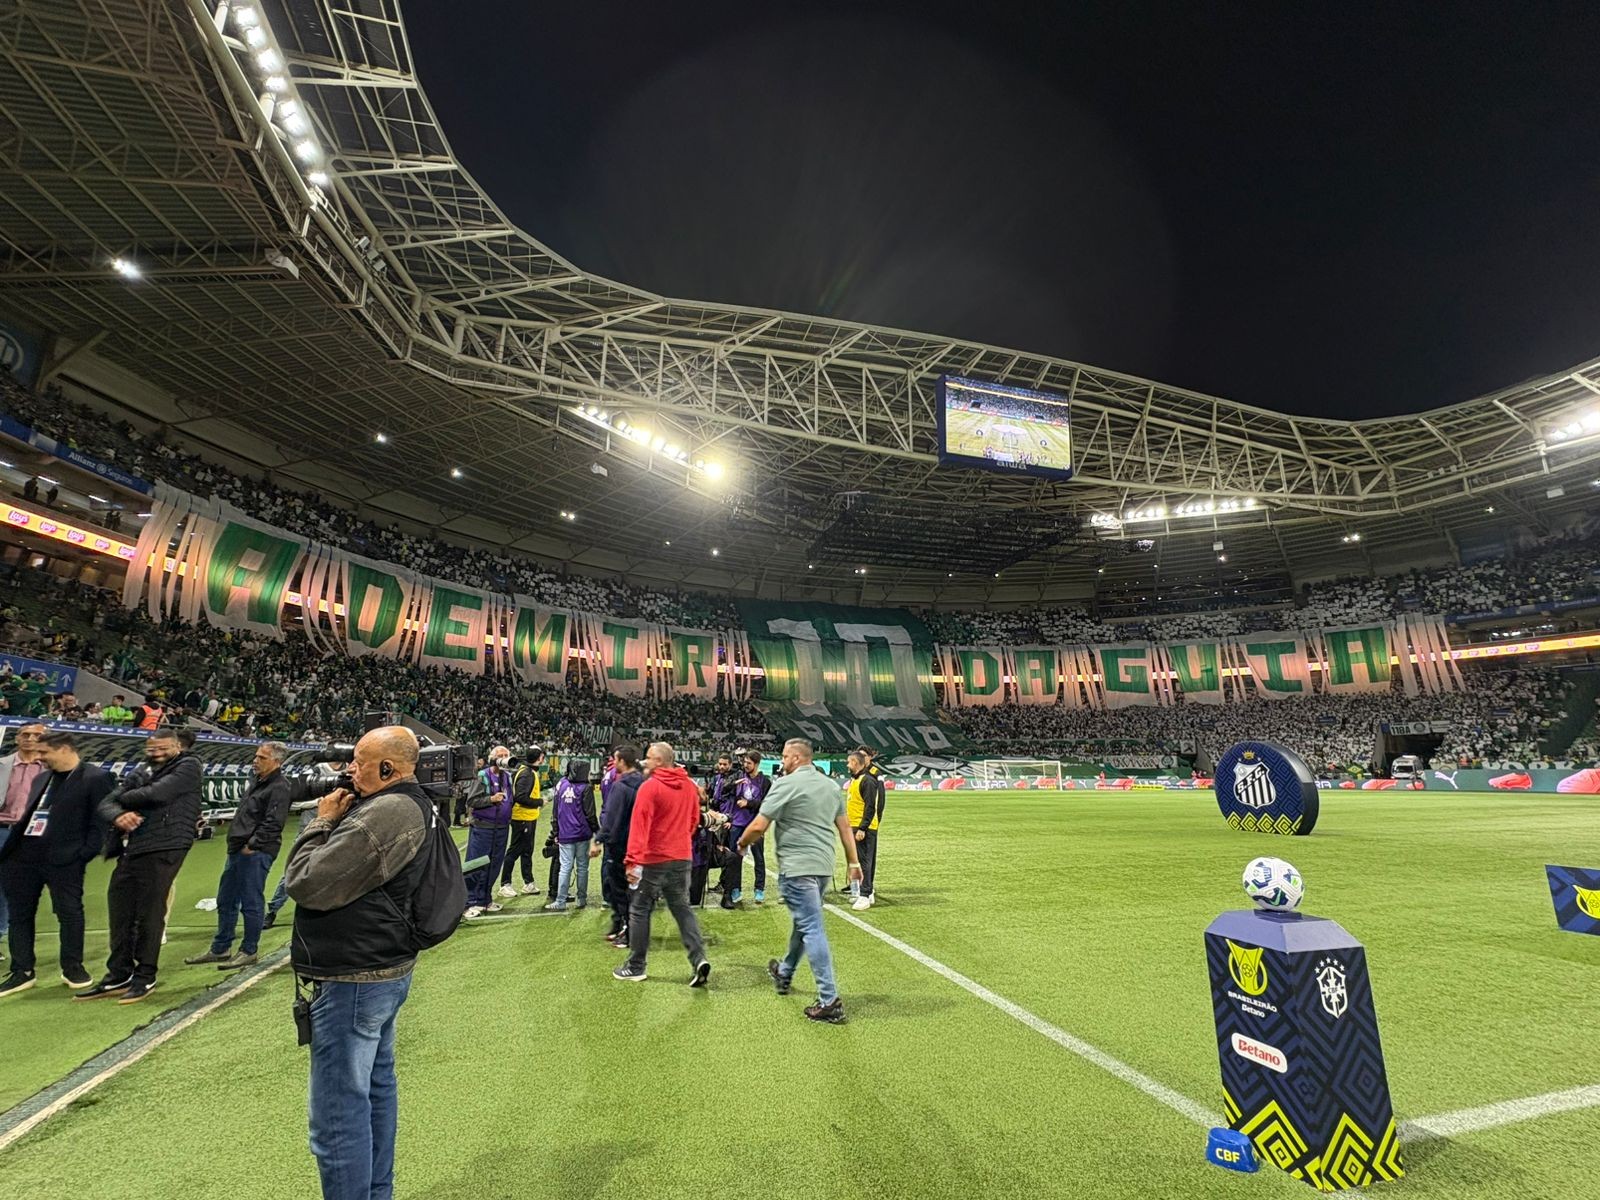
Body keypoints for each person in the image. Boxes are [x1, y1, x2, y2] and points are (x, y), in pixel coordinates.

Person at [283, 726, 433, 1200]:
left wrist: (319, 822)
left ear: (388, 768)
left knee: (338, 1115)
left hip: (353, 975)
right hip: (380, 969)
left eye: (360, 761)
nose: (349, 769)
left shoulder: (386, 812)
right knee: (373, 1090)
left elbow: (306, 882)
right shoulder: (411, 802)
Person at [738, 738, 862, 1023]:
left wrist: (743, 843)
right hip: (821, 869)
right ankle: (784, 971)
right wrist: (853, 863)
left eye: (783, 757)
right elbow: (844, 829)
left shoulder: (785, 784)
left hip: (797, 869)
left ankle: (829, 999)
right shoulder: (831, 786)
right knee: (804, 924)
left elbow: (759, 824)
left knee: (812, 928)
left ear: (795, 758)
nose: (782, 762)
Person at [77, 727, 202, 1003]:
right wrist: (119, 814)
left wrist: (124, 798)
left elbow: (158, 794)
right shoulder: (144, 768)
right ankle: (119, 973)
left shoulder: (189, 765)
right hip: (134, 847)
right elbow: (106, 802)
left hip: (167, 844)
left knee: (150, 911)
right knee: (120, 908)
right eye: (152, 749)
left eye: (162, 749)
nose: (156, 753)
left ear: (177, 747)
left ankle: (146, 976)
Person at [0, 731, 111, 995]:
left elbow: (101, 822)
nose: (39, 757)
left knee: (69, 912)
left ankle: (73, 967)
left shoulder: (97, 777)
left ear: (63, 749)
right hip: (23, 856)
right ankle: (22, 970)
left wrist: (82, 854)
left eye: (44, 753)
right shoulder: (43, 778)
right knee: (19, 915)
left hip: (65, 859)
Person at [183, 741, 302, 970]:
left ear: (277, 762)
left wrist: (253, 844)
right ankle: (221, 948)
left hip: (255, 852)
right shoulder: (257, 781)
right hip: (238, 848)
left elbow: (273, 822)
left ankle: (249, 950)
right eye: (256, 756)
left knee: (251, 902)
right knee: (226, 899)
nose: (255, 761)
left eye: (262, 758)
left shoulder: (279, 786)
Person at [613, 742, 710, 985]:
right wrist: (680, 841)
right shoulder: (689, 786)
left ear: (659, 761)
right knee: (682, 908)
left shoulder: (650, 788)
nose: (644, 761)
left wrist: (632, 860)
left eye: (649, 757)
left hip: (654, 859)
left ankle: (636, 965)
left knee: (639, 908)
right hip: (682, 857)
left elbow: (639, 826)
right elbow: (694, 820)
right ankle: (698, 958)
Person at [0, 722, 50, 961]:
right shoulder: (2, 765)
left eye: (36, 735)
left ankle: (14, 940)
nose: (30, 738)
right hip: (2, 829)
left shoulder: (52, 769)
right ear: (17, 738)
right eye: (25, 734)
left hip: (34, 834)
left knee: (21, 889)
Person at [596, 744, 644, 945]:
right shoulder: (644, 783)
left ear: (623, 762)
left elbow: (612, 817)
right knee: (634, 889)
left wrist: (600, 838)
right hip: (639, 844)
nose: (613, 763)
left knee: (618, 889)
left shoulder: (621, 785)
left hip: (619, 845)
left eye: (616, 760)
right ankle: (621, 926)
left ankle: (626, 930)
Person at [463, 746, 515, 919]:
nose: (504, 759)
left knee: (495, 864)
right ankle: (468, 902)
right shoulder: (482, 776)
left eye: (506, 756)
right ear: (492, 758)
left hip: (501, 827)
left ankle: (485, 899)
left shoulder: (507, 776)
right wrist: (491, 799)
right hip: (483, 827)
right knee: (476, 864)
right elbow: (472, 800)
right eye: (500, 756)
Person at [543, 760, 598, 911]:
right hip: (582, 834)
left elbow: (555, 811)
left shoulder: (561, 784)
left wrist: (555, 831)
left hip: (565, 834)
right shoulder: (586, 787)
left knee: (565, 867)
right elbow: (590, 813)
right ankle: (581, 899)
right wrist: (597, 831)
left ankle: (560, 901)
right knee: (582, 867)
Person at [723, 751, 770, 905]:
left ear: (756, 764)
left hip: (755, 825)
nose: (745, 765)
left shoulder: (764, 782)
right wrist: (732, 784)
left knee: (759, 858)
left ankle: (759, 889)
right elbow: (723, 790)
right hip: (737, 823)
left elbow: (767, 804)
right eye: (744, 762)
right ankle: (736, 889)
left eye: (749, 763)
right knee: (735, 858)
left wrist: (748, 804)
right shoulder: (738, 777)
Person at [497, 747, 544, 899]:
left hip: (528, 817)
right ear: (540, 758)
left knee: (526, 851)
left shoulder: (526, 771)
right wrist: (540, 801)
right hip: (522, 818)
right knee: (515, 850)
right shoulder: (527, 773)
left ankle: (528, 882)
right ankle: (505, 884)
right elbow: (521, 797)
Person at [844, 750, 884, 911]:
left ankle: (865, 894)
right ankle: (866, 891)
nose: (847, 765)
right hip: (855, 826)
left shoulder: (867, 780)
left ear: (855, 763)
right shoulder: (856, 780)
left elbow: (870, 807)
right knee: (860, 861)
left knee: (864, 861)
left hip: (863, 828)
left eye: (849, 762)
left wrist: (862, 827)